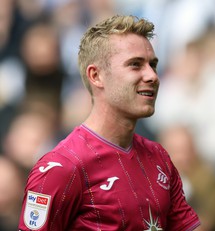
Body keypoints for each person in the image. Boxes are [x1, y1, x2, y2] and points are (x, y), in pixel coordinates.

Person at [18, 15, 201, 231]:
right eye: (135, 65)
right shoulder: (60, 168)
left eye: (153, 65)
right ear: (96, 76)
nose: (152, 76)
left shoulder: (159, 157)